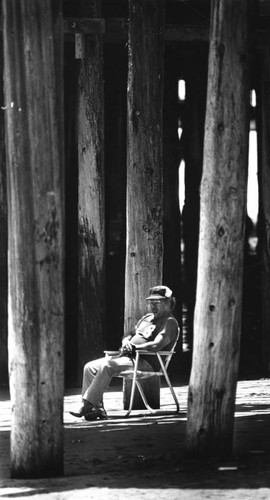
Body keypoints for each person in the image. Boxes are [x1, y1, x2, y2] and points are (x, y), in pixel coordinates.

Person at [70, 285, 179, 421]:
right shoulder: (147, 318)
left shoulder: (170, 322)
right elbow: (128, 334)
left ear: (169, 303)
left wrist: (135, 348)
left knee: (108, 366)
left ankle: (86, 405)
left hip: (146, 362)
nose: (153, 306)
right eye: (151, 302)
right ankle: (97, 409)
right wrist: (126, 342)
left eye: (157, 302)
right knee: (90, 367)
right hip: (128, 358)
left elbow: (157, 345)